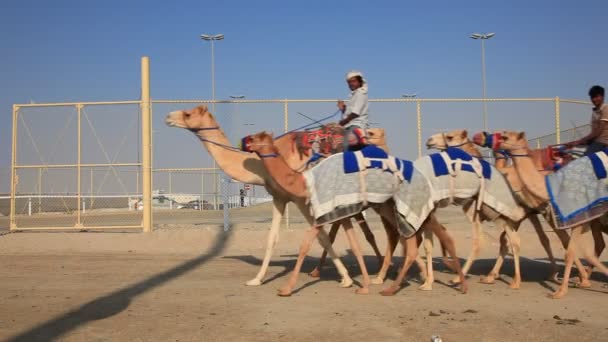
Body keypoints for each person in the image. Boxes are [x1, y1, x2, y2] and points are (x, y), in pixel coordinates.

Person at [567, 85, 608, 155]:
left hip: (603, 141)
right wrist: (581, 141)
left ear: (602, 97)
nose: (594, 99)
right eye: (592, 97)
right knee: (571, 151)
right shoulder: (595, 112)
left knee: (586, 158)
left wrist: (581, 140)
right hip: (595, 140)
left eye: (596, 96)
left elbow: (598, 131)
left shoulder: (606, 109)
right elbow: (594, 132)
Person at [337, 70, 369, 151]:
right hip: (350, 125)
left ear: (360, 82)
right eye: (349, 82)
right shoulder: (354, 95)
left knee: (347, 146)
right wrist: (343, 108)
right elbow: (350, 113)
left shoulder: (360, 94)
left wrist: (344, 121)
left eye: (353, 81)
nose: (351, 84)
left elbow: (356, 113)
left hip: (356, 126)